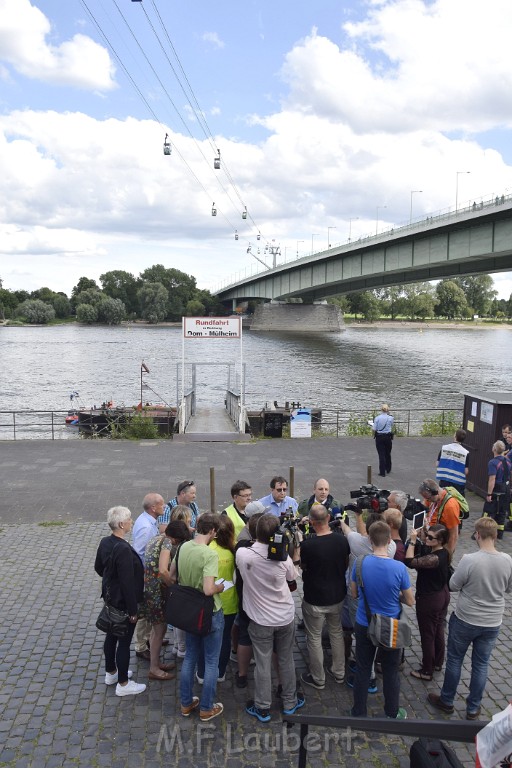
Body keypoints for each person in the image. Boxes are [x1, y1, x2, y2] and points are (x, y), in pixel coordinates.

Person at [427, 518, 512, 720]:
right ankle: (473, 708)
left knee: (455, 660)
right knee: (481, 664)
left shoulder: (470, 559)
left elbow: (454, 585)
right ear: (494, 536)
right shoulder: (508, 560)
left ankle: (447, 700)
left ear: (478, 535)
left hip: (466, 618)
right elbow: (508, 588)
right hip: (492, 621)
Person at [236, 514, 305, 722]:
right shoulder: (282, 558)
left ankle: (263, 706)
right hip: (284, 616)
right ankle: (290, 701)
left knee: (262, 663)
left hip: (260, 619)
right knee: (286, 659)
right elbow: (293, 577)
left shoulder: (243, 554)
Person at [350, 520, 414, 720]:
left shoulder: (359, 563)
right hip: (391, 625)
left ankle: (359, 712)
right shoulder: (399, 568)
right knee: (390, 671)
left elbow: (354, 594)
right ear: (389, 540)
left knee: (362, 668)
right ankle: (392, 712)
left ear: (369, 539)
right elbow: (410, 601)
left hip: (364, 622)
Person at [169, 512, 225, 722]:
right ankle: (206, 707)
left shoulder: (183, 547)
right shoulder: (209, 554)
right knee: (211, 661)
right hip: (209, 612)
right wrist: (221, 586)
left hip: (188, 611)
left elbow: (172, 575)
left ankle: (185, 703)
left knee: (190, 656)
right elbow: (209, 589)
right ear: (212, 531)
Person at [94, 506, 146, 697]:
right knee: (124, 641)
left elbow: (99, 567)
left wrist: (111, 580)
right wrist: (133, 610)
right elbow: (127, 583)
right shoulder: (123, 549)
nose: (132, 521)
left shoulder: (105, 542)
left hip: (111, 600)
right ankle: (123, 683)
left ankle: (111, 672)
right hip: (124, 603)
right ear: (122, 524)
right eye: (130, 519)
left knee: (111, 635)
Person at [296, 503, 350, 689]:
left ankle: (318, 678)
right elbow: (345, 563)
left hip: (315, 597)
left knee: (314, 637)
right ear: (328, 518)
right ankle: (339, 672)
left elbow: (301, 566)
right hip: (337, 595)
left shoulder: (308, 545)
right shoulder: (342, 541)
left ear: (311, 522)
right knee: (336, 633)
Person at [143, 520, 191, 680]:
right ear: (176, 538)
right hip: (157, 593)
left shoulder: (156, 538)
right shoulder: (167, 543)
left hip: (149, 590)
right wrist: (172, 585)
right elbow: (163, 570)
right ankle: (154, 669)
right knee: (159, 631)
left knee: (157, 630)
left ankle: (155, 662)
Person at [404, 524, 451, 681]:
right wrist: (423, 534)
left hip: (430, 599)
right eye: (427, 535)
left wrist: (412, 541)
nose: (427, 539)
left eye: (431, 538)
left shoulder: (434, 558)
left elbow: (410, 561)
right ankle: (437, 662)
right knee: (438, 629)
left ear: (441, 540)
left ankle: (427, 670)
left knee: (427, 635)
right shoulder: (443, 552)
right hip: (442, 594)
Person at [197, 515, 237, 684]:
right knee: (225, 638)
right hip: (229, 602)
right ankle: (220, 672)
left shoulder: (205, 549)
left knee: (203, 640)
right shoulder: (233, 550)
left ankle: (201, 672)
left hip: (205, 603)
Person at [132, 493, 165, 660]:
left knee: (150, 609)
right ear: (153, 508)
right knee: (144, 612)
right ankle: (141, 645)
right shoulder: (146, 527)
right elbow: (140, 554)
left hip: (148, 575)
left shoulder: (149, 521)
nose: (164, 506)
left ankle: (153, 637)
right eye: (161, 504)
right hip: (146, 577)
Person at [418, 479, 460, 553]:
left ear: (435, 492)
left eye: (428, 498)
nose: (428, 501)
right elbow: (422, 510)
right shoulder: (431, 497)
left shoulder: (450, 506)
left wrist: (448, 554)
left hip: (441, 545)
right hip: (432, 540)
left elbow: (454, 535)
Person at [485, 440, 510, 540]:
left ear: (494, 449)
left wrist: (489, 494)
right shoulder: (507, 461)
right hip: (506, 488)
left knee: (488, 510)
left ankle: (484, 531)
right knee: (502, 511)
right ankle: (500, 533)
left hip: (497, 489)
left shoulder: (493, 462)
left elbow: (492, 479)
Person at [436, 429, 469, 496]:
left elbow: (437, 464)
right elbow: (466, 471)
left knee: (443, 499)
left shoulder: (444, 448)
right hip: (458, 482)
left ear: (455, 436)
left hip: (444, 479)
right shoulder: (465, 453)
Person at [372, 404, 394, 477]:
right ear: (388, 410)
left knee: (381, 454)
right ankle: (388, 468)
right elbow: (391, 425)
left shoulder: (377, 418)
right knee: (388, 453)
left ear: (381, 409)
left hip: (379, 437)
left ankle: (382, 471)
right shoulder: (390, 418)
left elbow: (374, 428)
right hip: (388, 436)